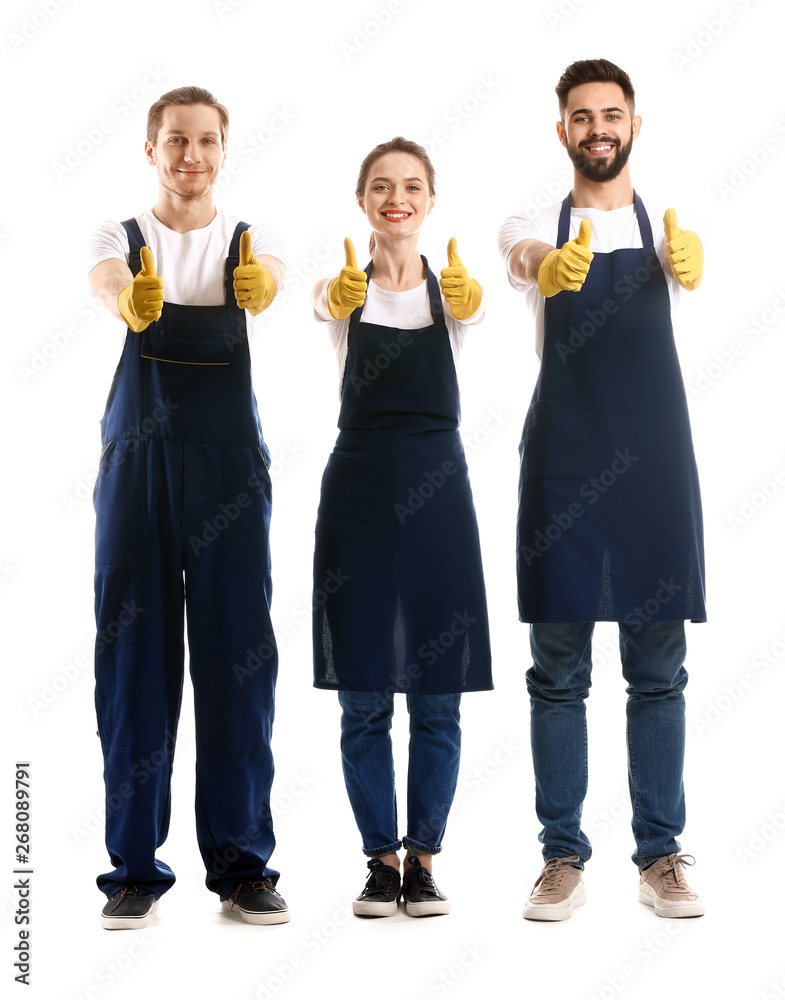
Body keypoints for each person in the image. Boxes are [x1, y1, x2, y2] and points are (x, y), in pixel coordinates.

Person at [499, 58, 706, 920]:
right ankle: (561, 857)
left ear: (633, 124)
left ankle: (660, 856)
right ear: (561, 131)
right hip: (566, 466)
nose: (597, 128)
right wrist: (546, 263)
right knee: (557, 671)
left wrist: (689, 261)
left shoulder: (667, 226)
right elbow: (520, 255)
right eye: (581, 116)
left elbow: (692, 274)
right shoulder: (529, 219)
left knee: (657, 669)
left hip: (654, 469)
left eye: (610, 114)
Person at [88, 86, 289, 929]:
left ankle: (243, 867)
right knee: (134, 666)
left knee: (237, 666)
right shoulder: (121, 239)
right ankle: (133, 870)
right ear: (150, 149)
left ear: (222, 150)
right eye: (175, 140)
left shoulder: (250, 240)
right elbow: (102, 278)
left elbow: (273, 278)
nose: (190, 156)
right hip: (137, 473)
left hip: (229, 480)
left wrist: (263, 287)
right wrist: (123, 298)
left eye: (206, 141)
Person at [311, 137, 493, 917]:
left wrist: (472, 291)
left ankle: (423, 860)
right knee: (362, 696)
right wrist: (336, 288)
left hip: (438, 493)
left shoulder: (453, 290)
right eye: (382, 187)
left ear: (429, 199)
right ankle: (377, 862)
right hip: (355, 493)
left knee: (438, 694)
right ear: (361, 201)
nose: (397, 198)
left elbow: (481, 302)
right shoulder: (341, 291)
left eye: (412, 186)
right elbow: (319, 300)